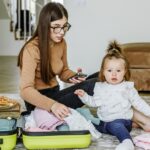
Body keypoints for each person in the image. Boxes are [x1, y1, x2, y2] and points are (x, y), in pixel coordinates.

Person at [17, 2, 96, 120]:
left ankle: (119, 111)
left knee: (101, 76)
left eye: (65, 26)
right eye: (56, 26)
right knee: (94, 84)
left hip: (56, 94)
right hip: (39, 103)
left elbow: (63, 71)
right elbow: (25, 91)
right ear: (45, 25)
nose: (62, 32)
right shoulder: (31, 49)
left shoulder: (62, 43)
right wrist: (52, 105)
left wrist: (74, 76)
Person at [74, 41, 150, 150]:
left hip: (122, 122)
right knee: (90, 123)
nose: (114, 74)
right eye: (109, 70)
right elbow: (94, 102)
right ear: (103, 72)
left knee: (116, 125)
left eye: (118, 71)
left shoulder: (127, 88)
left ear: (124, 72)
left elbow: (139, 103)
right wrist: (84, 96)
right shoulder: (100, 87)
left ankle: (127, 142)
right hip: (105, 123)